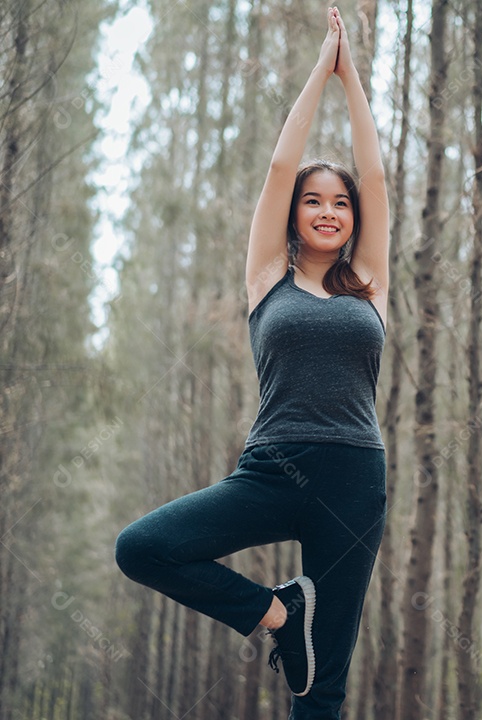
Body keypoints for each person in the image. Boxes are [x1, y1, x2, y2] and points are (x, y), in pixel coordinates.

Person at [114, 7, 389, 718]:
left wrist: (351, 77)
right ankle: (276, 615)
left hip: (354, 479)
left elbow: (377, 177)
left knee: (321, 684)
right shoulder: (268, 277)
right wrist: (319, 70)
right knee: (143, 548)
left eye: (340, 203)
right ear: (295, 213)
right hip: (272, 469)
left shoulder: (372, 286)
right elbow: (276, 167)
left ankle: (301, 635)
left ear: (354, 218)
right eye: (312, 200)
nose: (328, 211)